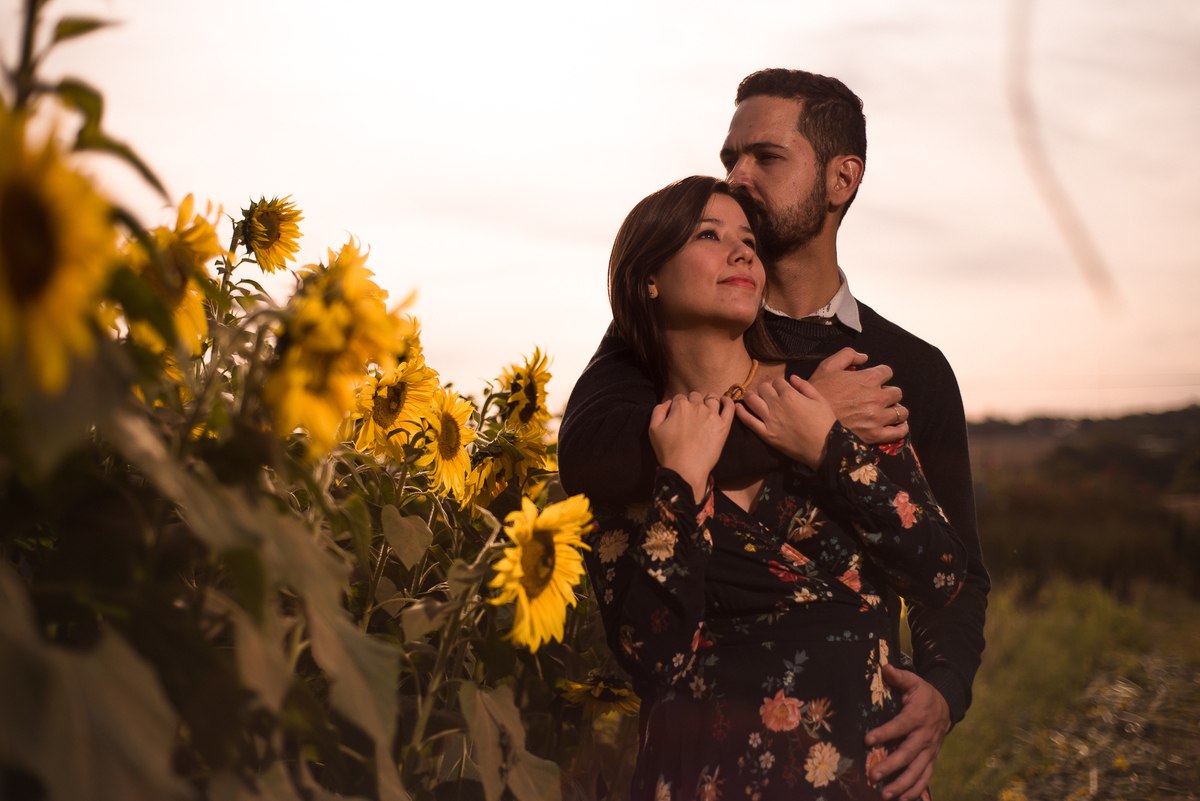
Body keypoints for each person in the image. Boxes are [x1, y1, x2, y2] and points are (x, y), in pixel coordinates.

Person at [559, 70, 989, 801]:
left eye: (766, 157)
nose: (739, 176)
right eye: (730, 159)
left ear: (841, 178)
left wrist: (943, 692)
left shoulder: (900, 370)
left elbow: (952, 571)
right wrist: (791, 423)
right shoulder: (645, 355)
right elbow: (591, 453)